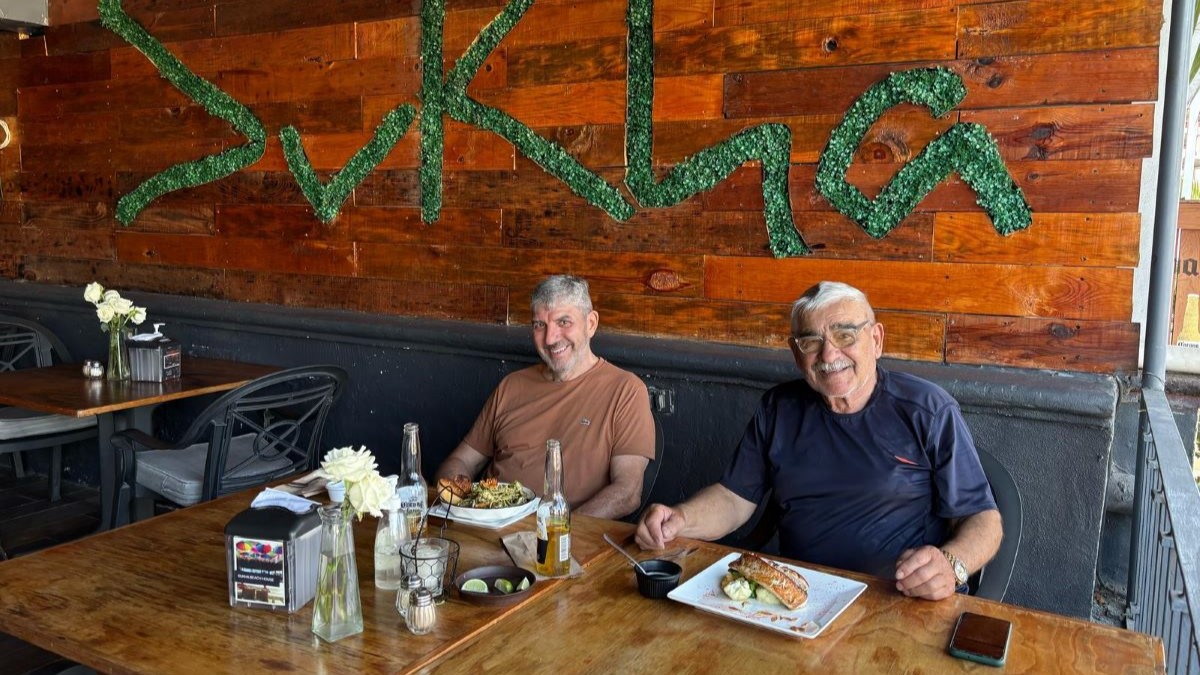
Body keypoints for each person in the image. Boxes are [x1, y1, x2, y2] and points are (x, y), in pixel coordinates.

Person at [636, 281, 1002, 601]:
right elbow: (734, 498)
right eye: (811, 341)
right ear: (797, 354)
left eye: (845, 336)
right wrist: (680, 519)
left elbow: (983, 518)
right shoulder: (779, 408)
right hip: (799, 597)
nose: (829, 355)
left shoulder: (927, 409)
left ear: (876, 340)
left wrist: (952, 565)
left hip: (898, 597)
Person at [437, 275, 654, 520]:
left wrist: (556, 530)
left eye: (564, 322)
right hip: (484, 524)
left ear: (591, 323)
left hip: (565, 534)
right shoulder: (512, 385)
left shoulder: (626, 390)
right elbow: (460, 461)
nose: (550, 339)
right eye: (539, 325)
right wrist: (461, 499)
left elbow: (627, 492)